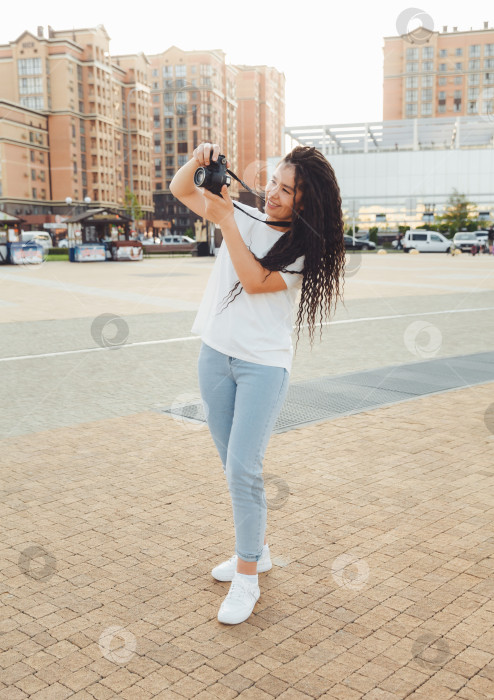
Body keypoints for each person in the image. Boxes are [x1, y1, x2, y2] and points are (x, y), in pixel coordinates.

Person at [170, 142, 345, 625]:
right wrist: (201, 160)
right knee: (233, 467)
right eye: (272, 182)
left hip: (262, 368)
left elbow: (253, 279)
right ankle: (257, 550)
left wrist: (228, 221)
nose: (272, 193)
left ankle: (247, 578)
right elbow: (179, 188)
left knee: (244, 470)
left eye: (286, 190)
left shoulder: (303, 249)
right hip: (215, 358)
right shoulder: (244, 213)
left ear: (305, 202)